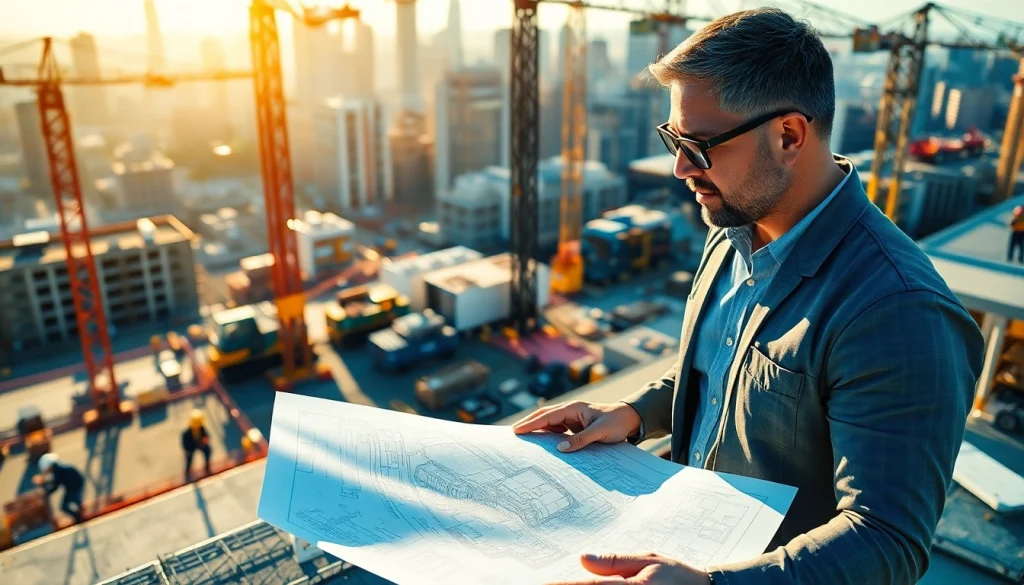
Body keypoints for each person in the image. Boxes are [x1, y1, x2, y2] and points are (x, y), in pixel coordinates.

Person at [514, 8, 985, 585]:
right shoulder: (732, 233)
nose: (680, 167)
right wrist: (634, 413)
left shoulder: (898, 312)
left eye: (700, 145)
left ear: (789, 134)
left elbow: (886, 541)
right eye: (674, 139)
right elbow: (722, 372)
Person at [36, 452, 85, 523]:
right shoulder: (58, 467)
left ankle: (78, 517)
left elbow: (55, 485)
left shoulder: (58, 471)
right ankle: (79, 514)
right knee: (75, 501)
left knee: (65, 505)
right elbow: (55, 481)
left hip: (74, 486)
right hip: (74, 485)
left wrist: (47, 492)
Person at [182, 409, 212, 480]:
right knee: (189, 458)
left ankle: (207, 467)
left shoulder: (201, 428)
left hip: (200, 444)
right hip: (191, 447)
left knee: (208, 450)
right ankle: (187, 472)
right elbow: (184, 443)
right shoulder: (187, 433)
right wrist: (186, 451)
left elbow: (206, 435)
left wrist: (205, 440)